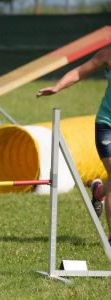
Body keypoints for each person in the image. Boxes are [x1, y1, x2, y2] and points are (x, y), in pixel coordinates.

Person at [36, 47, 111, 245]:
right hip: (107, 124)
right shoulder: (107, 55)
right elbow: (79, 72)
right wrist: (57, 87)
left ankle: (98, 191)